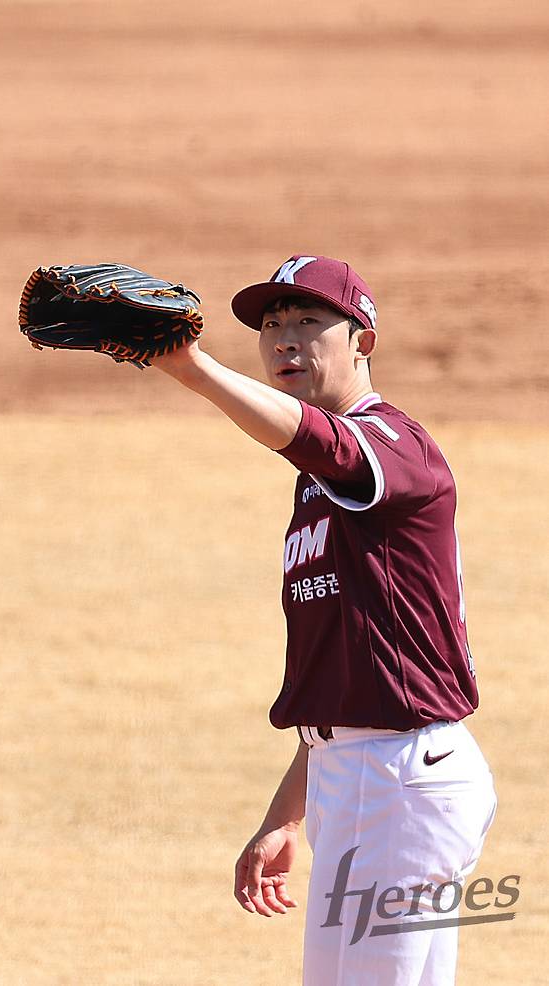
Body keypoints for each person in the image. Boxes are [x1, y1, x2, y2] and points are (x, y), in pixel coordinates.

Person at [152, 255, 497, 986]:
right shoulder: (321, 486)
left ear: (362, 341)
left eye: (309, 322)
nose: (285, 341)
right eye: (271, 325)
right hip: (367, 779)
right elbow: (351, 673)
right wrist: (289, 810)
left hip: (401, 785)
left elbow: (317, 438)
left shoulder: (394, 447)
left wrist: (191, 369)